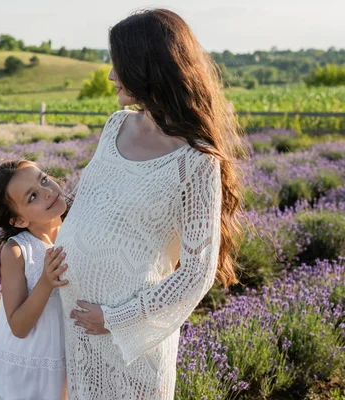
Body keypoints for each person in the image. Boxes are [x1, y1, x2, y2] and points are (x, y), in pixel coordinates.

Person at [54, 8, 245, 399]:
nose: (110, 75)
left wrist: (113, 319)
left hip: (128, 343)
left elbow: (197, 272)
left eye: (119, 64)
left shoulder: (195, 161)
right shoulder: (115, 126)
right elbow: (100, 204)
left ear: (149, 68)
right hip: (77, 327)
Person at [0, 159, 71, 400]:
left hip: (69, 357)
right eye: (31, 197)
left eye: (44, 179)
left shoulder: (77, 231)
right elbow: (18, 327)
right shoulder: (17, 252)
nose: (47, 192)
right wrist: (45, 282)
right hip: (28, 366)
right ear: (19, 220)